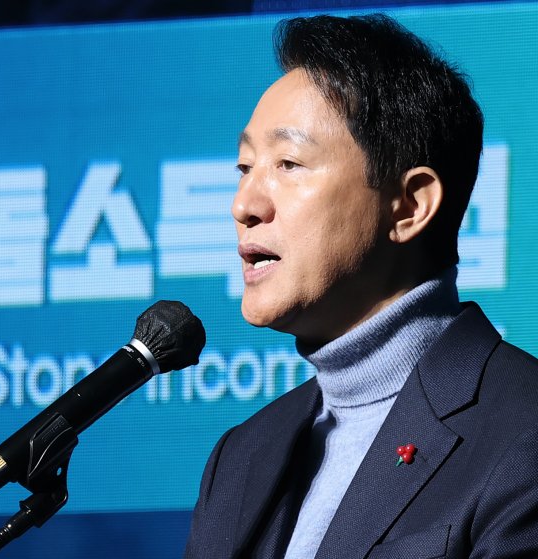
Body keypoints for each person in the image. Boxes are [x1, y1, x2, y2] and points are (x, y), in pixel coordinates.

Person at [185, 13, 538, 559]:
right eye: (245, 167)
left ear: (410, 205)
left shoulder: (522, 431)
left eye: (288, 163)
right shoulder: (241, 457)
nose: (244, 205)